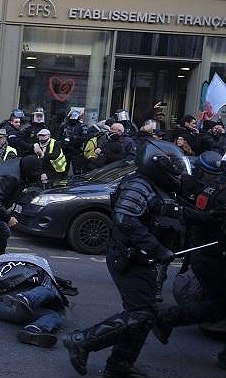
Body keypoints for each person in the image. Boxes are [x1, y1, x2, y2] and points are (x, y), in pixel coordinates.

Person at [61, 140, 187, 378]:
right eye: (173, 166)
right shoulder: (138, 186)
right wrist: (157, 248)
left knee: (144, 314)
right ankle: (82, 341)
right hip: (129, 257)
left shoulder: (156, 186)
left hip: (143, 258)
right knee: (141, 314)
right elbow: (125, 220)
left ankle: (120, 363)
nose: (176, 171)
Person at [151, 151, 226, 371]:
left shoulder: (212, 188)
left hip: (205, 254)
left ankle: (169, 318)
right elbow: (215, 221)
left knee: (219, 306)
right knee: (217, 306)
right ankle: (168, 318)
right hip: (216, 255)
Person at [60, 110, 86, 175]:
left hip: (76, 150)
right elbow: (59, 136)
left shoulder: (81, 126)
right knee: (64, 169)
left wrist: (76, 138)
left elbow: (84, 138)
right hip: (65, 150)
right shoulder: (65, 125)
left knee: (77, 170)